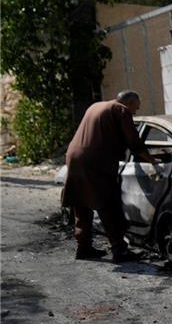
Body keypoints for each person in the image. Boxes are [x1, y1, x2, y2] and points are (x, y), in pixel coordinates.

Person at [61, 90, 156, 262]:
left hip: (74, 157)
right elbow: (134, 142)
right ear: (129, 103)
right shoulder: (121, 110)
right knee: (109, 204)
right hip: (95, 161)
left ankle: (84, 248)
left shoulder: (96, 106)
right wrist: (152, 159)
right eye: (135, 108)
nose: (135, 113)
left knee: (82, 203)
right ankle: (119, 250)